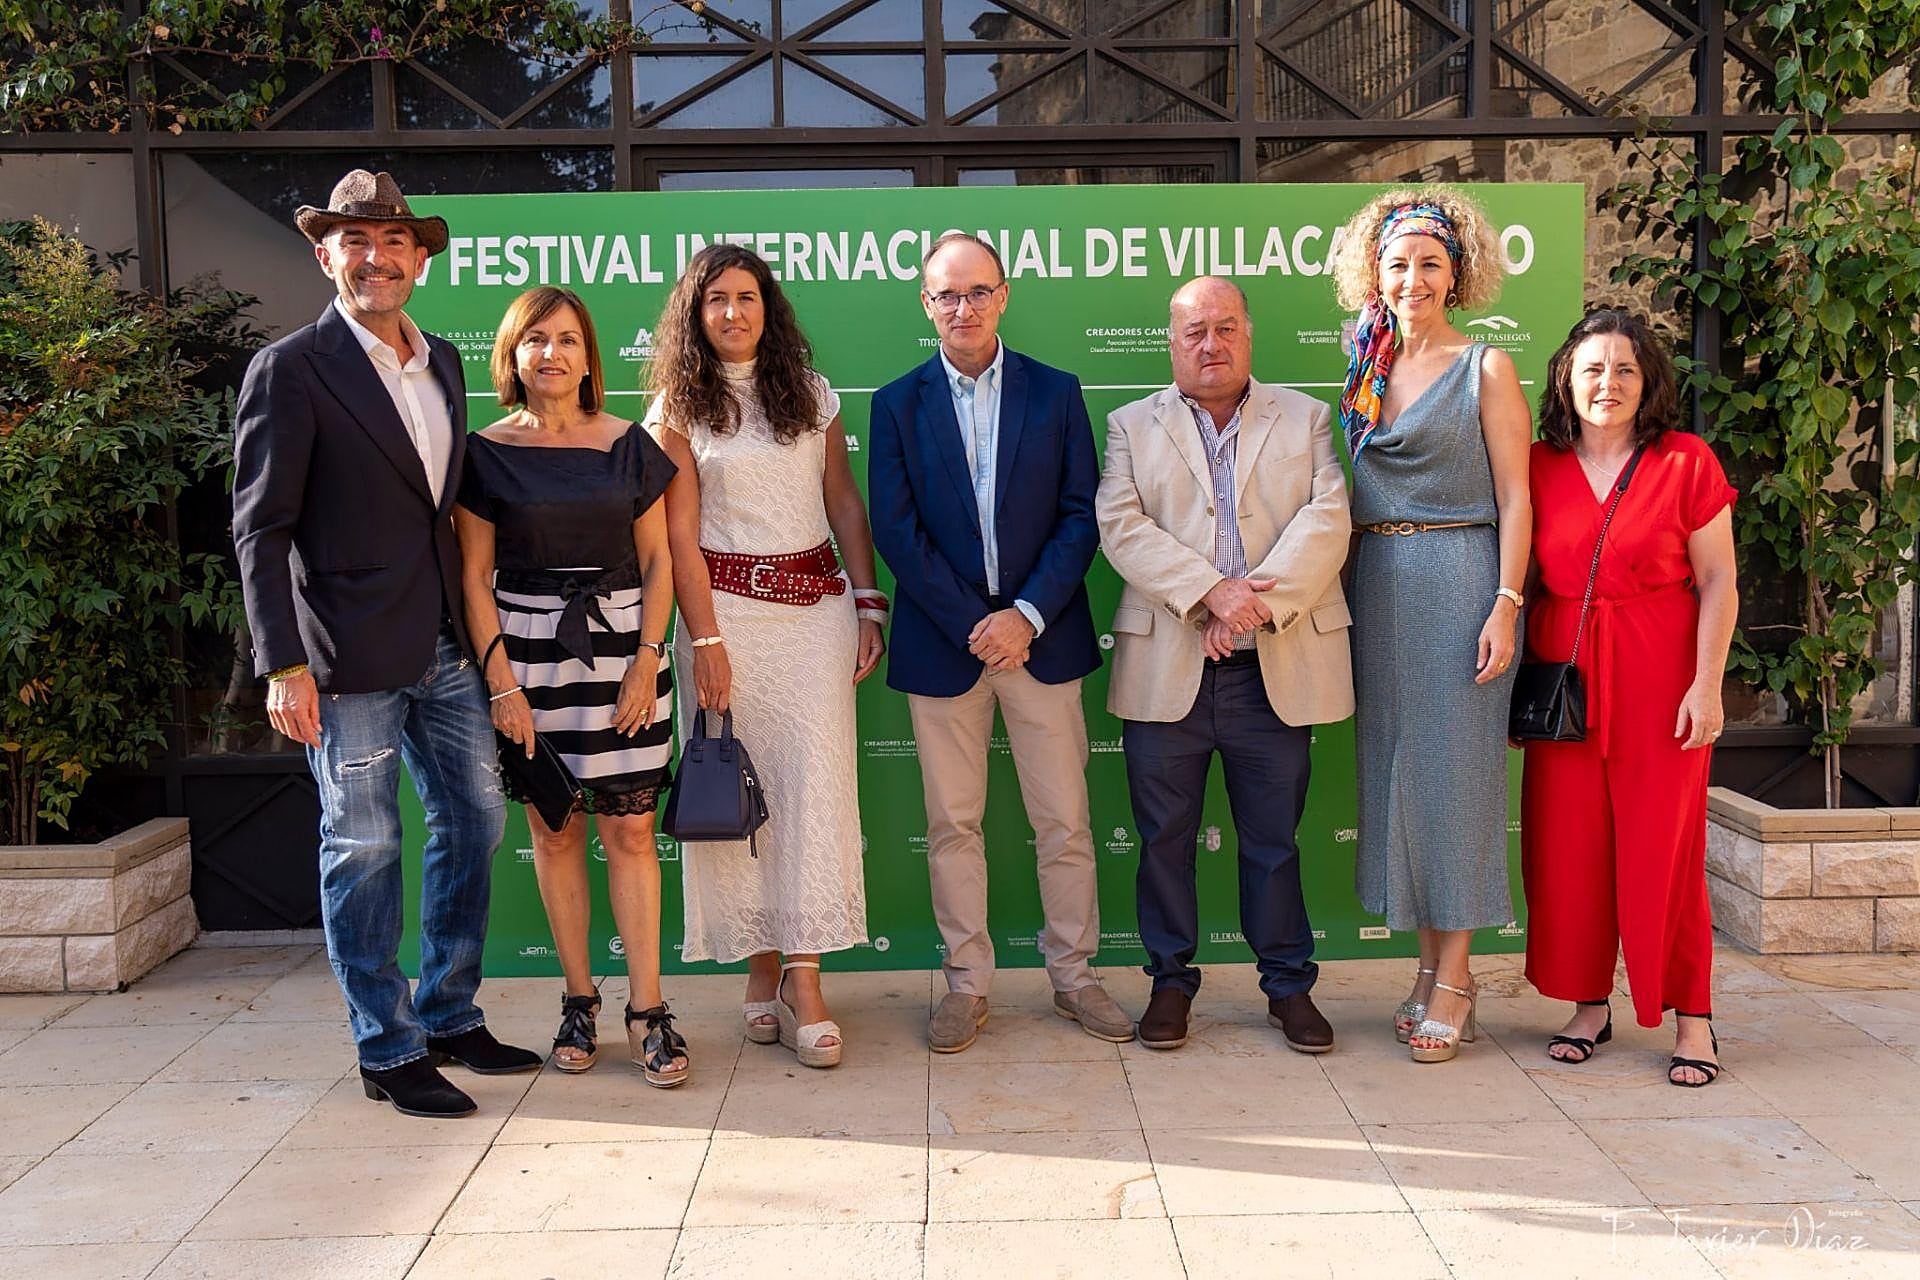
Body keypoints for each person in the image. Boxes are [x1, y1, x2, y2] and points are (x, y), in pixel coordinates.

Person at [231, 170, 539, 1119]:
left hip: (444, 644)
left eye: (394, 241)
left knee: (477, 823)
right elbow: (260, 528)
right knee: (361, 844)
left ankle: (448, 1012)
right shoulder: (289, 368)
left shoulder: (442, 361)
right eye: (354, 242)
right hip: (343, 657)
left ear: (420, 256)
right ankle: (387, 1045)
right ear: (325, 255)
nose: (376, 257)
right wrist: (283, 662)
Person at [868, 232, 1130, 1053]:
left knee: (1066, 822)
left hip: (1041, 640)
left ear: (1004, 295)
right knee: (952, 825)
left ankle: (1074, 976)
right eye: (947, 294)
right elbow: (897, 533)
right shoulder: (896, 402)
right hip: (946, 646)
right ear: (924, 303)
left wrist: (1025, 616)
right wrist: (974, 626)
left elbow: (1080, 514)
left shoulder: (1055, 394)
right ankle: (966, 983)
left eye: (978, 291)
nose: (964, 308)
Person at [1096, 276, 1353, 1054]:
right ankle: (1170, 983)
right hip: (1168, 667)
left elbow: (1328, 517)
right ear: (1171, 343)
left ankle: (1288, 987)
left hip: (1272, 669)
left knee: (1273, 841)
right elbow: (1121, 524)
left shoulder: (1306, 417)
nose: (1212, 344)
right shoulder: (1129, 426)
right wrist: (1211, 593)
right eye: (1195, 331)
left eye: (1226, 328)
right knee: (1163, 842)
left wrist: (1253, 607)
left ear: (1249, 334)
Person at [645, 244, 884, 1070]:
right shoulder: (679, 404)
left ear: (768, 307)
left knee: (813, 791)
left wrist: (867, 599)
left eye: (747, 297)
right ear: (696, 312)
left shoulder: (812, 395)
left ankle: (805, 981)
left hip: (816, 618)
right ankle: (758, 964)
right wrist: (704, 639)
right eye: (716, 299)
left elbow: (842, 499)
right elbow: (678, 533)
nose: (734, 312)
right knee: (736, 791)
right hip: (725, 621)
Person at [454, 286, 688, 1085]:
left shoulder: (632, 445)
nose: (550, 354)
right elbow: (474, 577)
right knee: (554, 833)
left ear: (589, 356)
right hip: (526, 662)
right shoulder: (481, 452)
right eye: (534, 340)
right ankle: (580, 1000)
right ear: (512, 356)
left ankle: (649, 1009)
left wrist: (648, 658)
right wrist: (501, 685)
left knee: (629, 834)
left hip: (626, 653)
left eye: (565, 339)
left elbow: (658, 561)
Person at [1332, 186, 1533, 1064]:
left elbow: (1519, 494)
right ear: (1373, 272)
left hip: (1459, 581)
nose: (1412, 278)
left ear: (1458, 276)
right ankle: (1424, 970)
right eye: (1399, 263)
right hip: (1376, 582)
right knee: (1401, 780)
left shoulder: (1485, 367)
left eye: (1429, 265)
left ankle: (1458, 975)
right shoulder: (1362, 361)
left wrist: (1507, 602)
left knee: (1456, 781)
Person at [1521, 310, 1736, 1087]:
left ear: (1648, 384)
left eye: (1623, 370)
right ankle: (1588, 1004)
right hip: (1567, 678)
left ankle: (1693, 1017)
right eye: (1590, 370)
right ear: (1564, 382)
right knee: (1569, 849)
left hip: (1661, 675)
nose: (1605, 384)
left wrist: (1707, 685)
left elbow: (1718, 581)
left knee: (1665, 854)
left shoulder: (1686, 462)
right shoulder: (1538, 466)